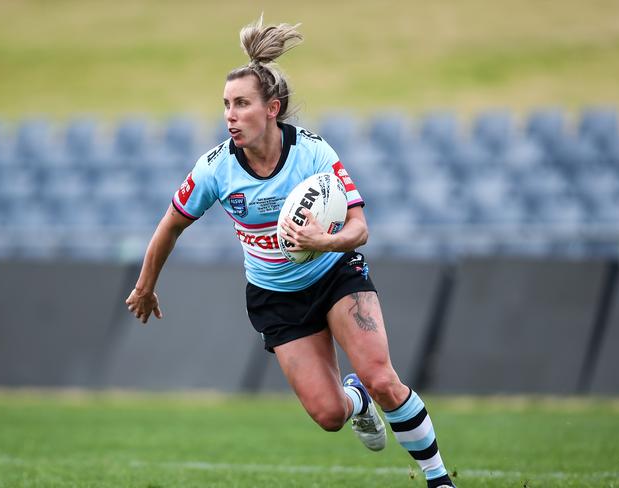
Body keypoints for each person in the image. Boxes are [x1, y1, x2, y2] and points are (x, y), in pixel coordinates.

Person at [125, 15, 456, 488]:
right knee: (328, 415)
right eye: (225, 106)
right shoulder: (216, 169)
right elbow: (170, 224)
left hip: (336, 273)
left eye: (241, 104)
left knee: (382, 377)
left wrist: (326, 241)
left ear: (272, 108)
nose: (230, 116)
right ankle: (355, 401)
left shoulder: (314, 153)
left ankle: (439, 480)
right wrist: (145, 287)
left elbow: (360, 227)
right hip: (276, 296)